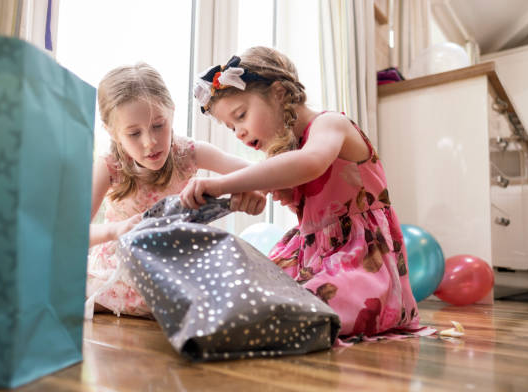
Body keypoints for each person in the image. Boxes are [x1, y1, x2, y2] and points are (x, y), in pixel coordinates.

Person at [180, 47, 432, 340]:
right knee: (247, 292)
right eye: (231, 127)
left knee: (299, 307)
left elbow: (310, 164)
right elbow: (270, 177)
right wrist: (248, 196)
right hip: (312, 256)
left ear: (278, 94)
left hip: (360, 258)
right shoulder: (288, 153)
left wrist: (224, 184)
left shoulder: (330, 124)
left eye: (241, 115)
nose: (238, 132)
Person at [87, 62, 266, 317]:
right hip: (122, 272)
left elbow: (258, 173)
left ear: (171, 112)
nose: (150, 142)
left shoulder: (189, 153)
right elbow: (73, 234)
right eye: (134, 133)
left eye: (158, 126)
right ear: (112, 133)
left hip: (180, 269)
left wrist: (249, 188)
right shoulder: (110, 166)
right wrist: (116, 229)